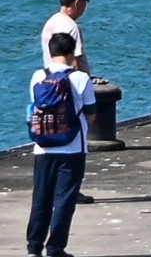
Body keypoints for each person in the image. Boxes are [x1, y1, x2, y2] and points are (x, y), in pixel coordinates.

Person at [26, 32, 96, 257]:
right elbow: (91, 112)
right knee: (64, 198)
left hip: (43, 146)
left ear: (50, 50)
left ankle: (33, 247)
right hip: (73, 146)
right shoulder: (81, 78)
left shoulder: (38, 76)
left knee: (41, 197)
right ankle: (55, 247)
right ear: (71, 52)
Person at [42, 0, 91, 75]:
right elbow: (74, 62)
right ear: (77, 2)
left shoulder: (50, 22)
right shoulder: (71, 27)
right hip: (70, 84)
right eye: (85, 1)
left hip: (51, 78)